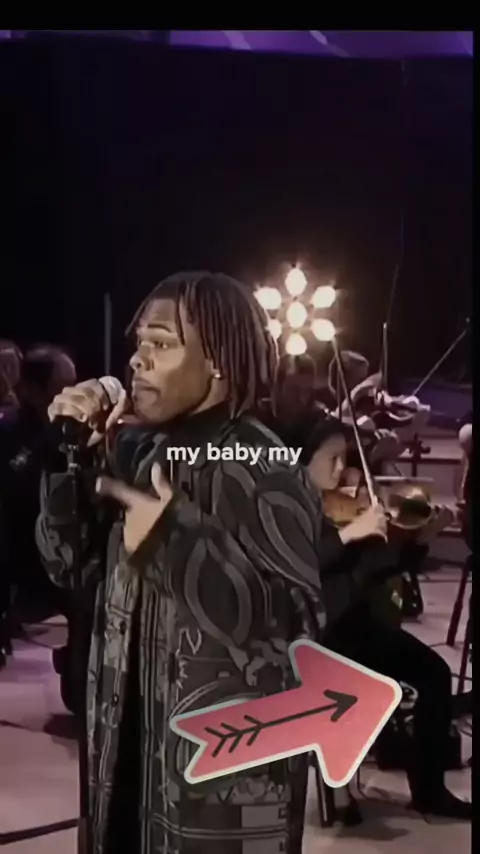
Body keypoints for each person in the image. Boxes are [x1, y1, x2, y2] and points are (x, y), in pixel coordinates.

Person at [36, 271, 344, 854]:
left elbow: (296, 632)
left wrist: (175, 542)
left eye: (162, 343)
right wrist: (68, 462)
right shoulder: (137, 452)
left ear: (219, 361)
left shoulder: (261, 466)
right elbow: (65, 565)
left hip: (214, 797)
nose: (139, 360)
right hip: (126, 766)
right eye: (139, 344)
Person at [301, 417, 472, 820]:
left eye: (345, 459)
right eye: (331, 458)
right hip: (314, 631)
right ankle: (339, 781)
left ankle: (429, 791)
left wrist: (420, 542)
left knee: (434, 673)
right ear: (305, 460)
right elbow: (302, 566)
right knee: (360, 683)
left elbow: (375, 569)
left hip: (351, 624)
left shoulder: (342, 507)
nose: (341, 469)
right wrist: (348, 536)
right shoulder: (290, 508)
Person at [0, 345, 77, 623]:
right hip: (22, 575)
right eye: (62, 386)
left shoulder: (78, 433)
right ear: (33, 389)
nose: (72, 393)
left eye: (73, 383)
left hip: (66, 572)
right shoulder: (9, 432)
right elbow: (16, 486)